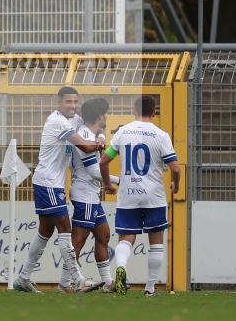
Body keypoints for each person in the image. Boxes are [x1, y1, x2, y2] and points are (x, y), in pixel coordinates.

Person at [13, 86, 105, 293]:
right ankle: (77, 280)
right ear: (59, 102)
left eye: (75, 102)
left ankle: (23, 278)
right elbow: (86, 146)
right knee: (65, 228)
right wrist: (100, 144)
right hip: (48, 183)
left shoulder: (75, 120)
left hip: (52, 183)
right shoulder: (57, 121)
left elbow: (95, 126)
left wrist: (101, 135)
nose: (72, 105)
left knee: (45, 231)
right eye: (68, 102)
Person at [100, 95, 180, 296]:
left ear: (134, 111)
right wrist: (175, 184)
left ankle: (121, 269)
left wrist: (107, 183)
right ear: (154, 112)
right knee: (156, 240)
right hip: (154, 196)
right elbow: (176, 168)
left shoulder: (122, 132)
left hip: (128, 196)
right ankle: (150, 288)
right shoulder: (161, 135)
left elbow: (103, 162)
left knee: (126, 238)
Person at [68, 98, 119, 293]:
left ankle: (107, 283)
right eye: (105, 113)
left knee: (103, 235)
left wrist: (102, 137)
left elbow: (99, 132)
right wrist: (118, 180)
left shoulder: (89, 132)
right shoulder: (85, 136)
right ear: (99, 116)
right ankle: (69, 282)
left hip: (91, 195)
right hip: (84, 195)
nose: (106, 116)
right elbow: (94, 172)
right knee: (78, 241)